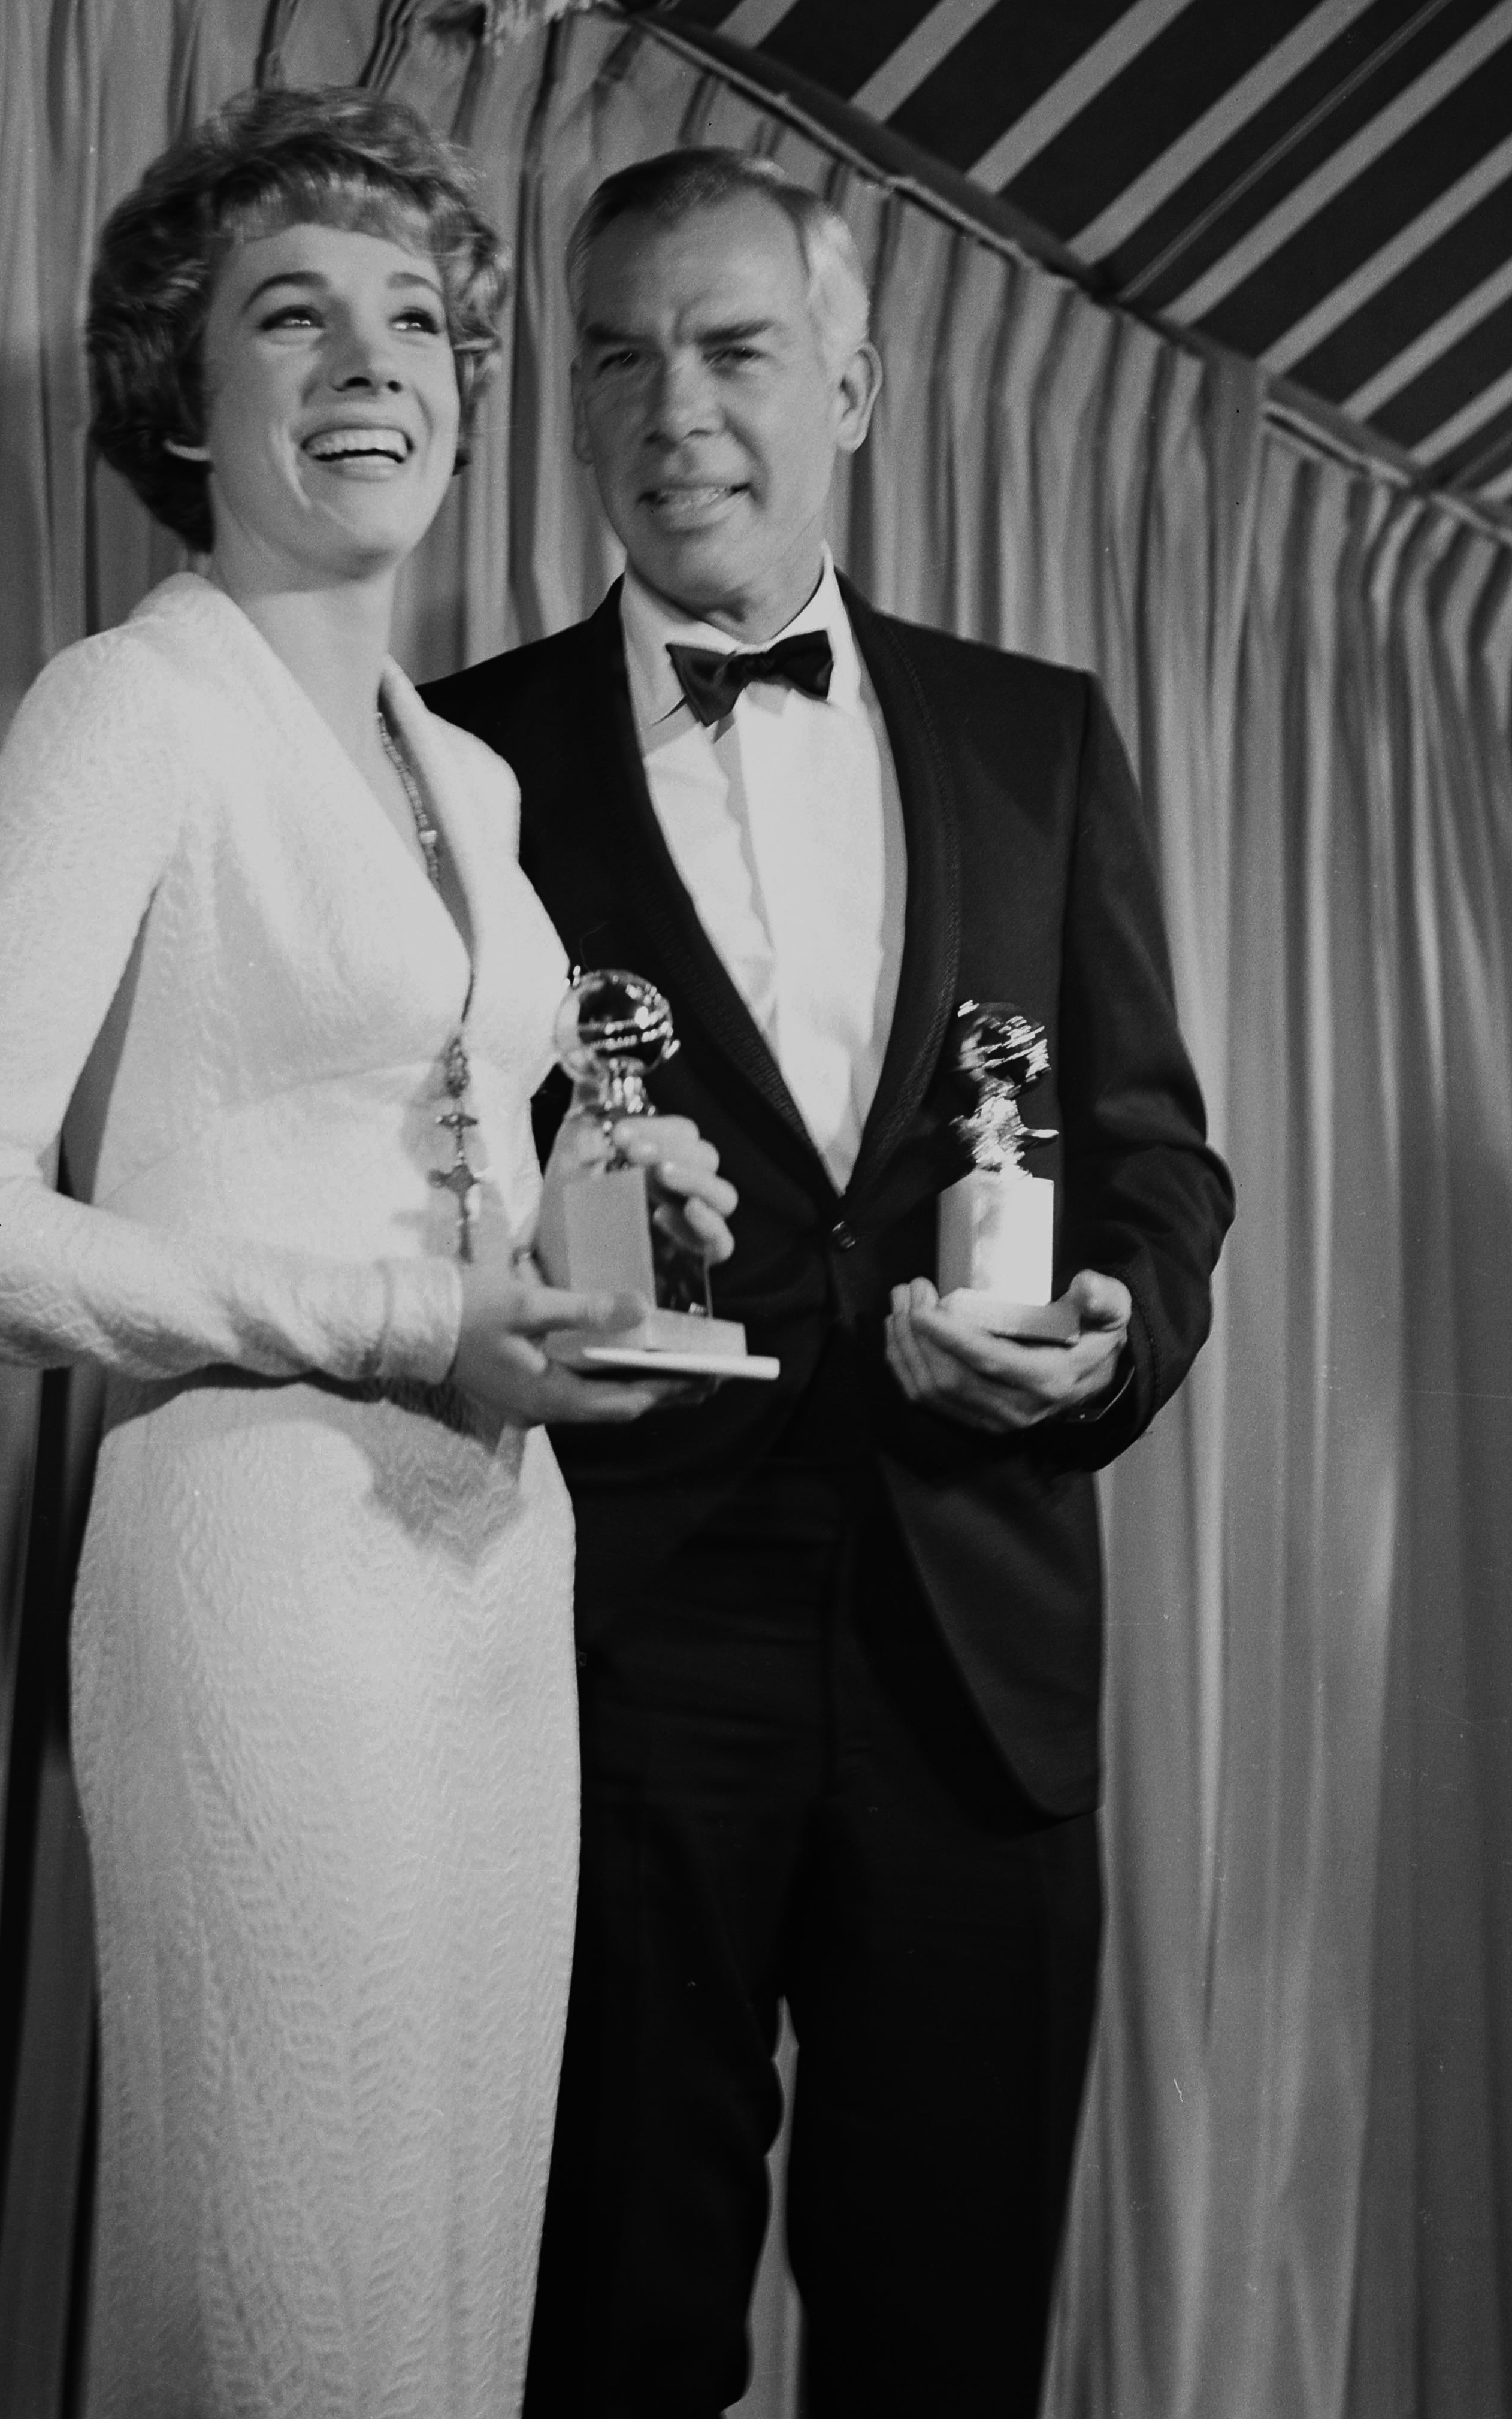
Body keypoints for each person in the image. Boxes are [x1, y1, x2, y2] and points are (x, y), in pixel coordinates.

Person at [0, 90, 734, 2419]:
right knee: (289, 2316)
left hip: (491, 1583)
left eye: (420, 318)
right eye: (293, 316)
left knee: (450, 2297)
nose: (373, 364)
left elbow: (402, 1145)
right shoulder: (134, 705)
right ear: (179, 386)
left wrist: (583, 1236)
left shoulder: (475, 774)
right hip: (257, 1570)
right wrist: (399, 1314)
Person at [427, 149, 1235, 2418]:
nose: (672, 404)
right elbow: (414, 1181)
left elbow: (1159, 1166)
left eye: (733, 344)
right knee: (604, 2330)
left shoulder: (1034, 735)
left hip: (977, 1642)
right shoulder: (459, 755)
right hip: (609, 1640)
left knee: (947, 2337)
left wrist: (1101, 1344)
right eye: (616, 356)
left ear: (855, 377)